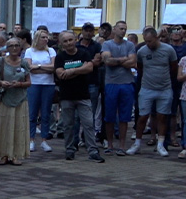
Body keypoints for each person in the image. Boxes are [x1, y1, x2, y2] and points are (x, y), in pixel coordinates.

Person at [54, 31, 105, 163]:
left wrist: (71, 71)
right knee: (68, 125)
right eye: (65, 41)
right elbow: (60, 74)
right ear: (61, 43)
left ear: (75, 39)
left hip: (83, 95)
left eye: (70, 40)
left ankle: (93, 151)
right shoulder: (60, 57)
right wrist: (79, 69)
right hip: (67, 96)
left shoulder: (83, 53)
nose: (68, 43)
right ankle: (70, 149)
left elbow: (89, 68)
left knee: (88, 124)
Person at [130, 27, 177, 157]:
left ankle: (161, 144)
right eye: (146, 41)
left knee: (162, 117)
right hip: (147, 88)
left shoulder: (169, 50)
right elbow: (140, 68)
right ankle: (137, 144)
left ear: (156, 38)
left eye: (150, 41)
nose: (148, 44)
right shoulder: (142, 51)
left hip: (165, 89)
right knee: (143, 117)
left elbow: (174, 68)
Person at [0, 38, 31, 165]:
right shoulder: (0, 61)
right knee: (4, 126)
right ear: (7, 48)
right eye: (11, 46)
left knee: (19, 127)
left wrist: (19, 84)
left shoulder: (24, 63)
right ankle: (3, 154)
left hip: (20, 99)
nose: (14, 48)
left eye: (17, 46)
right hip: (5, 98)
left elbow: (29, 82)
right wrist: (1, 83)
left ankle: (15, 155)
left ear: (20, 48)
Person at [101, 21, 136, 156]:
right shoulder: (107, 44)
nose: (123, 31)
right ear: (114, 30)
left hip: (127, 83)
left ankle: (121, 145)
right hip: (111, 83)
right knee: (109, 116)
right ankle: (110, 144)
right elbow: (107, 61)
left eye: (125, 29)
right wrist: (124, 59)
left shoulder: (130, 45)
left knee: (124, 116)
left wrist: (116, 60)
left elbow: (132, 62)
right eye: (121, 28)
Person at [24, 29, 56, 153]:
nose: (46, 39)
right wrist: (43, 68)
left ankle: (44, 140)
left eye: (46, 37)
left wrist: (38, 67)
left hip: (48, 83)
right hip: (34, 84)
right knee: (32, 113)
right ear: (37, 38)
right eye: (43, 37)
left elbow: (53, 67)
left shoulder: (51, 51)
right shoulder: (29, 51)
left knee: (46, 112)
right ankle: (31, 139)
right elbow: (28, 67)